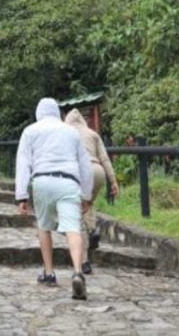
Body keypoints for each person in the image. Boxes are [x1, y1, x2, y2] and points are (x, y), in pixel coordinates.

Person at [15, 97, 93, 300]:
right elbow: (85, 164)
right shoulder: (71, 132)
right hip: (68, 182)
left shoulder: (30, 131)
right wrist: (87, 194)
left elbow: (23, 163)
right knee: (72, 228)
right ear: (58, 113)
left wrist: (21, 195)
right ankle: (77, 271)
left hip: (42, 182)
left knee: (44, 226)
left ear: (39, 113)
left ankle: (49, 273)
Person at [64, 108, 118, 275]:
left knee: (78, 216)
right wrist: (113, 181)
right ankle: (93, 228)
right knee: (88, 204)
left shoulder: (66, 133)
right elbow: (105, 158)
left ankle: (84, 261)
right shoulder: (92, 134)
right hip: (98, 171)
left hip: (80, 172)